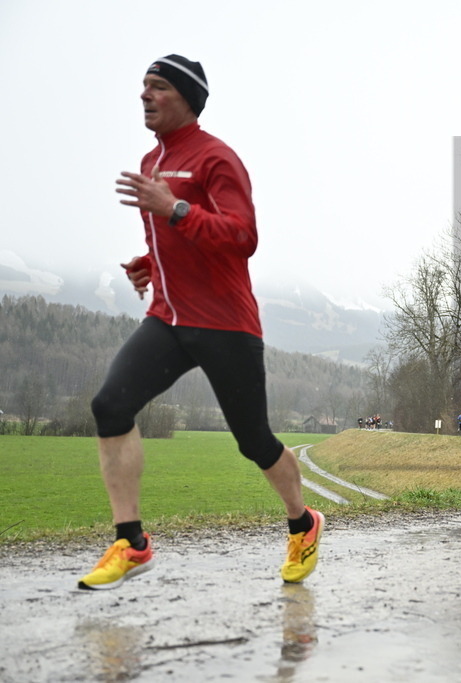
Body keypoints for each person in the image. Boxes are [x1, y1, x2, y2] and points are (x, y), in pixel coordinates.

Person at [80, 55, 324, 590]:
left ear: (187, 98)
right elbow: (176, 241)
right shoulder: (151, 161)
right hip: (168, 319)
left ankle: (303, 523)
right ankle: (131, 542)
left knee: (254, 441)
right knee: (110, 406)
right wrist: (150, 264)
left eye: (158, 87)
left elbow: (242, 236)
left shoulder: (217, 158)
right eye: (143, 85)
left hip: (225, 325)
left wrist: (176, 210)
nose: (145, 95)